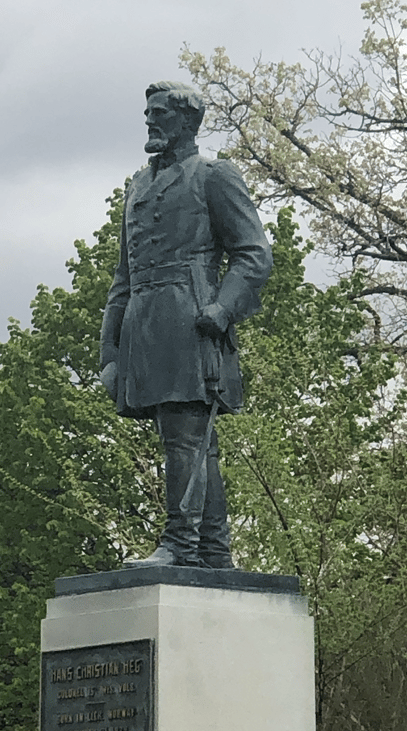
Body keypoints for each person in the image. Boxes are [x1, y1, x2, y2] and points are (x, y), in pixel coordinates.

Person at [100, 80, 273, 569]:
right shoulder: (137, 186)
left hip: (191, 322)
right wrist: (110, 353)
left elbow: (254, 254)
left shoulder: (213, 176)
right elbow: (123, 277)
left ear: (187, 121)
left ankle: (180, 543)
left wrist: (223, 307)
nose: (149, 120)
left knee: (186, 436)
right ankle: (213, 552)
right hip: (144, 328)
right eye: (148, 112)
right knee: (191, 442)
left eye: (159, 113)